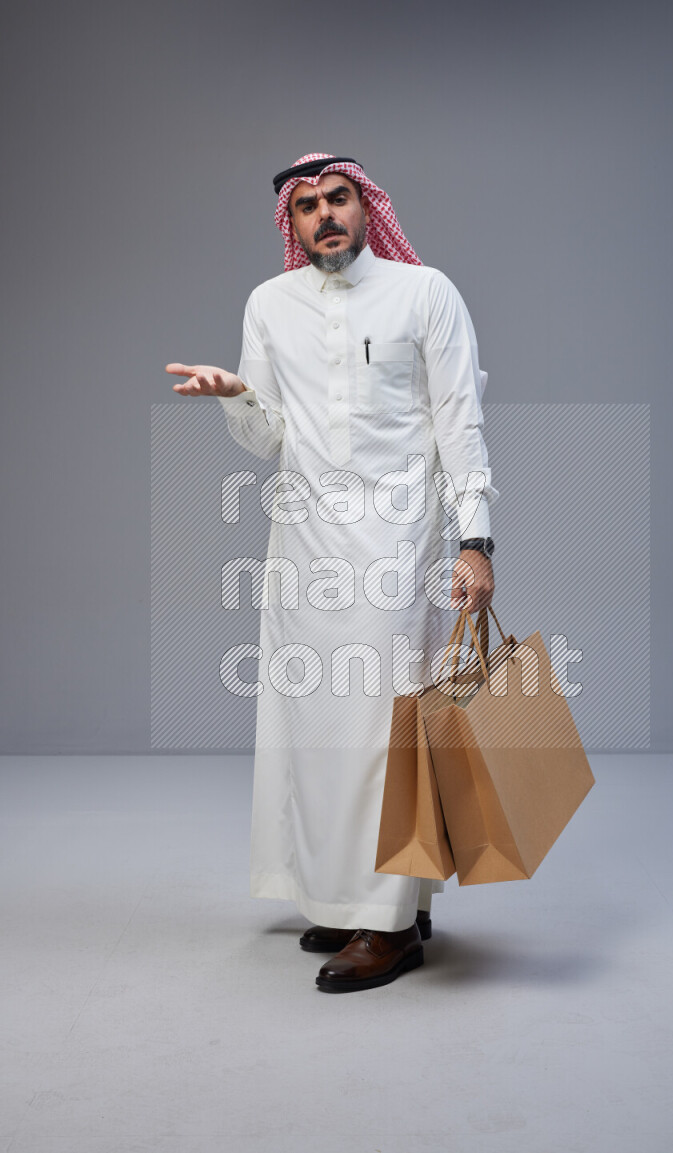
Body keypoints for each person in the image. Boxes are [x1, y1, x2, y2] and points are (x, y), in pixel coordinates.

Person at [166, 153, 498, 993]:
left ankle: (387, 927)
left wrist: (476, 541)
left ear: (365, 204)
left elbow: (460, 418)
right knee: (313, 730)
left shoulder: (427, 293)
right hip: (305, 547)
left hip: (401, 541)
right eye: (306, 206)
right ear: (292, 222)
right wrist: (235, 394)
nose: (324, 216)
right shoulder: (269, 304)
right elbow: (269, 437)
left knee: (385, 735)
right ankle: (359, 899)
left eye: (338, 198)